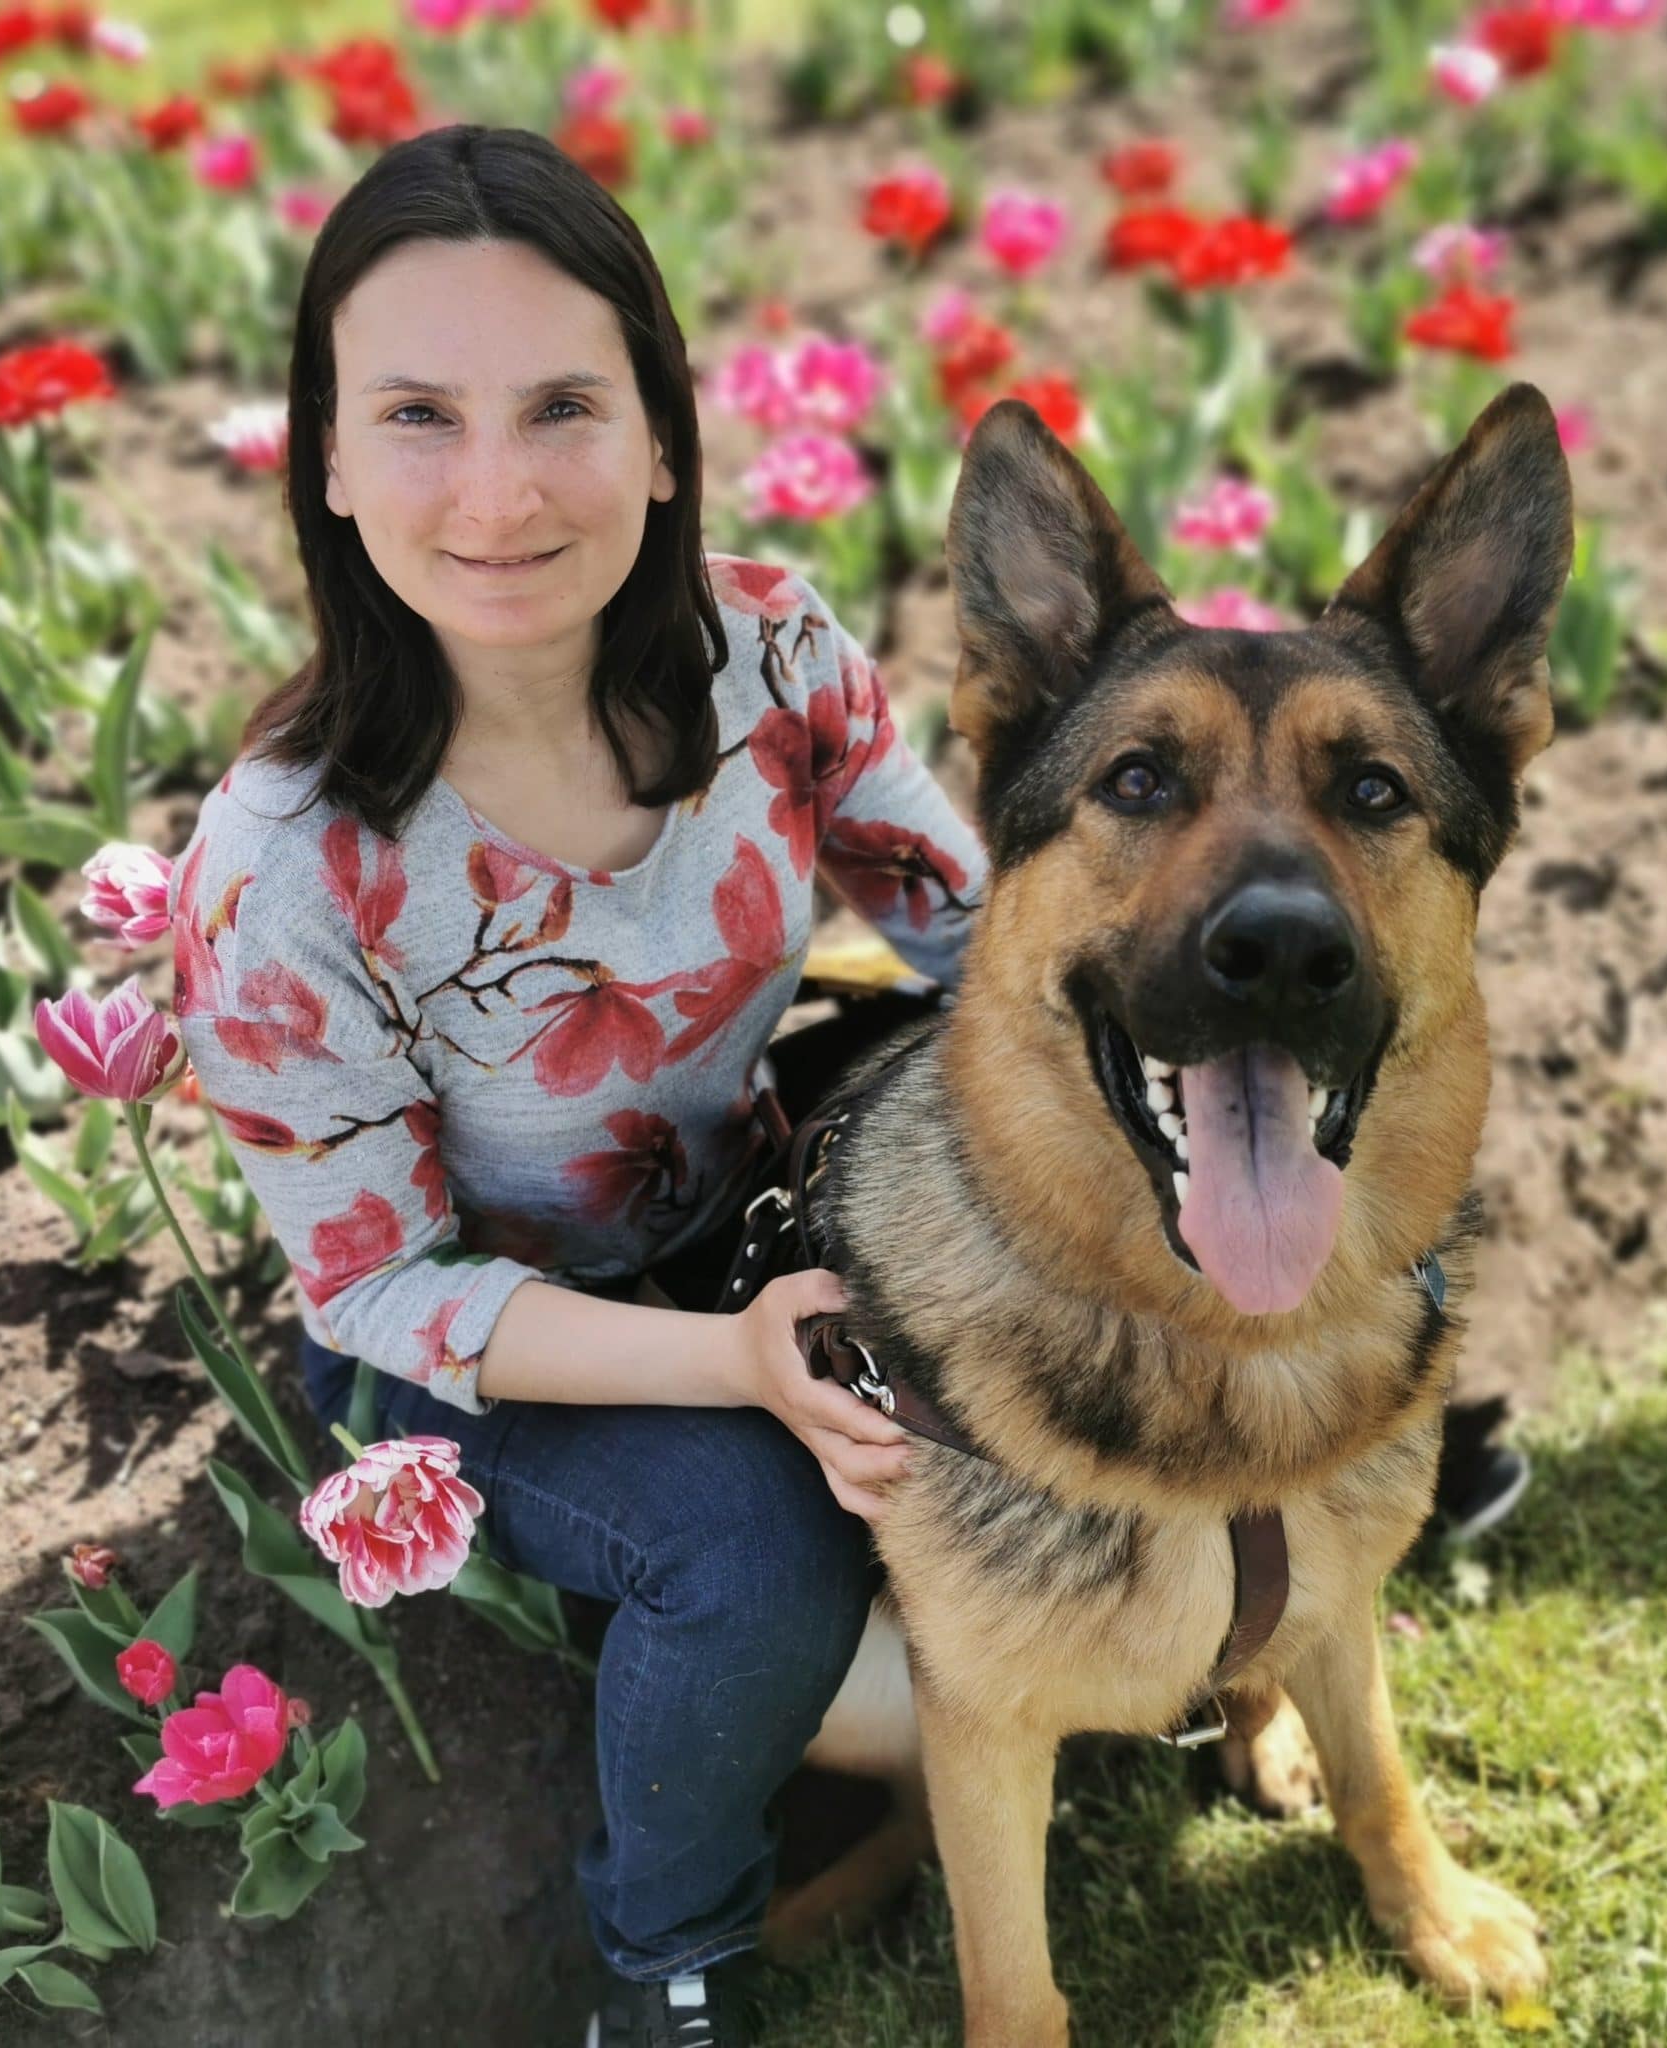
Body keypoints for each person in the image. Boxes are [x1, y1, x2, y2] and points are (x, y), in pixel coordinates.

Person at [168, 122, 1528, 2048]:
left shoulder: (762, 649)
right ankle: (667, 1964)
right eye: (413, 413)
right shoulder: (279, 872)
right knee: (759, 1561)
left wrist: (1219, 1020)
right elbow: (372, 1290)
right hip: (475, 1326)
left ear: (660, 435)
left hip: (728, 1199)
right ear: (325, 454)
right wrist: (732, 1365)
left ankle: (1306, 1529)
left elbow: (972, 917)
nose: (493, 489)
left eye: (561, 403)